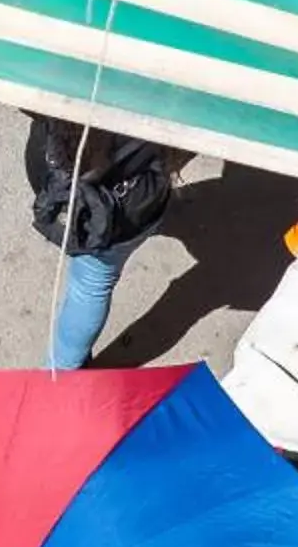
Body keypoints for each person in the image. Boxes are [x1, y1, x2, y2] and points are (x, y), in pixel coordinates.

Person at [25, 115, 183, 368]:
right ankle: (63, 369)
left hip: (50, 174)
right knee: (91, 284)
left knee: (88, 285)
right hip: (128, 205)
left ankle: (61, 374)